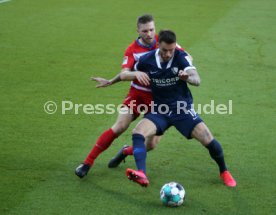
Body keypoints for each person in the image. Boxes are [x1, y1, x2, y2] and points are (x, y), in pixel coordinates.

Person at [123, 30, 237, 188]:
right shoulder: (146, 60)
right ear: (158, 46)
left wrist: (187, 78)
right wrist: (112, 80)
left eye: (171, 50)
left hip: (181, 109)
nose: (168, 54)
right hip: (160, 109)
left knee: (208, 139)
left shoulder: (180, 57)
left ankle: (224, 171)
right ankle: (141, 173)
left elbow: (197, 80)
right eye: (164, 50)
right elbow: (127, 74)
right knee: (138, 133)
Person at [75, 14, 180, 178]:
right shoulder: (132, 50)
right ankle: (87, 163)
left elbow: (185, 57)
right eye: (145, 31)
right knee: (119, 126)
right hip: (138, 94)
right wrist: (135, 73)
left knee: (151, 144)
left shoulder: (162, 42)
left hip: (159, 99)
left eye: (152, 29)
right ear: (138, 30)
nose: (149, 34)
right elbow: (124, 74)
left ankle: (126, 151)